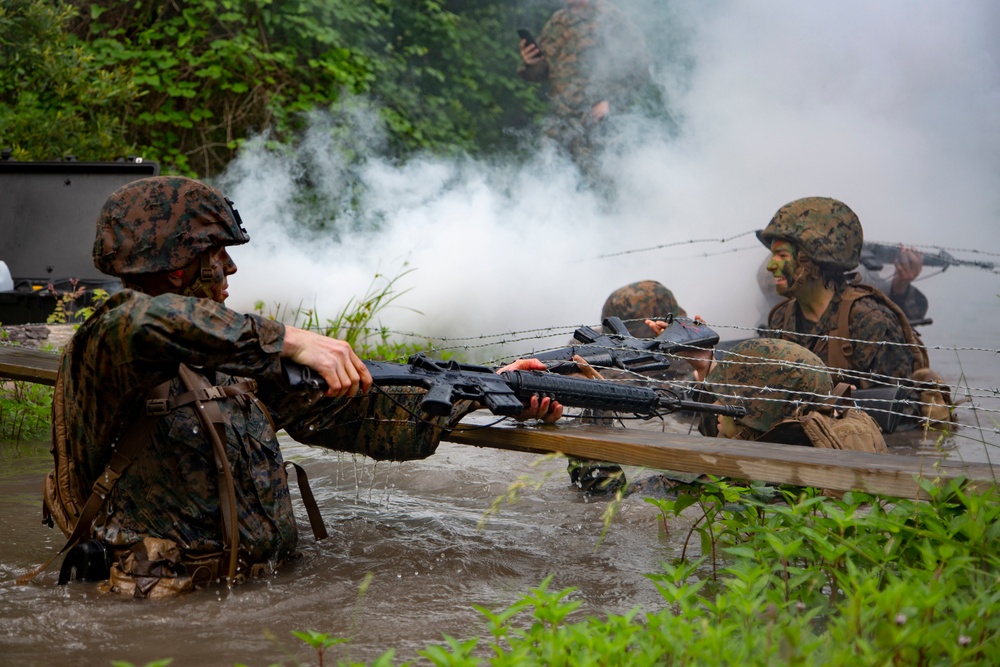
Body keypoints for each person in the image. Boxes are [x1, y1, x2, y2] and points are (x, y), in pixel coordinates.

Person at [39, 176, 561, 596]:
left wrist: (486, 391)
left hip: (260, 598)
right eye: (216, 252)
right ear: (177, 266)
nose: (231, 265)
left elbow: (358, 415)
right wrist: (286, 338)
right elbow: (146, 321)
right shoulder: (108, 343)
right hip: (150, 616)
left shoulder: (235, 358)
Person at [755, 196, 953, 427]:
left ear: (813, 260)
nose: (770, 266)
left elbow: (900, 420)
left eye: (782, 256)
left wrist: (842, 406)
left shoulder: (869, 321)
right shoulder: (782, 318)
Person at [517, 0, 652, 172]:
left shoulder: (611, 18)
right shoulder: (559, 20)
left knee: (596, 185)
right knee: (551, 181)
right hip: (561, 122)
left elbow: (639, 66)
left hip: (598, 123)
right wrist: (531, 62)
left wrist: (610, 101)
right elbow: (541, 72)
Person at [755, 246, 929, 328]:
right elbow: (768, 283)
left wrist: (899, 285)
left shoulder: (858, 268)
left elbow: (888, 306)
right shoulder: (785, 256)